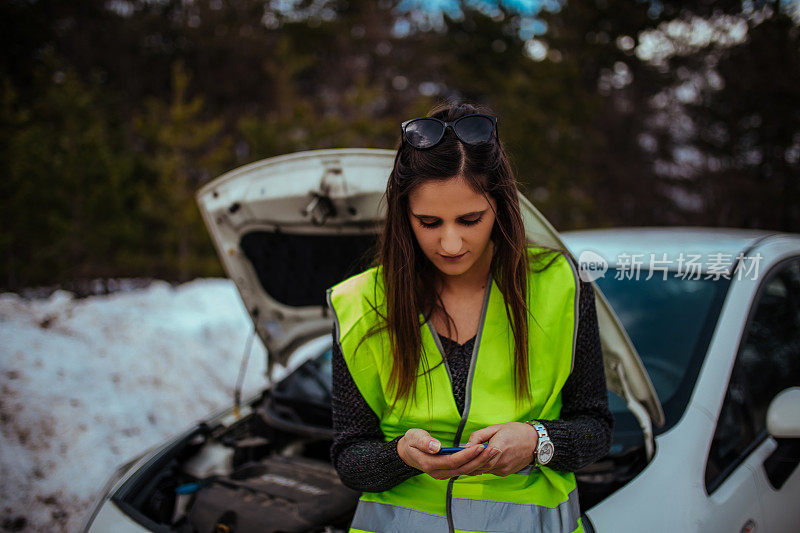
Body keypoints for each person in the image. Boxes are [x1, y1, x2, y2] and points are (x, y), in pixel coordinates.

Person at [326, 102, 612, 533]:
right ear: (404, 216)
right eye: (428, 222)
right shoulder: (362, 303)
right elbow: (349, 457)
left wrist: (539, 442)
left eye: (470, 219)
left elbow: (596, 425)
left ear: (500, 206)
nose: (451, 242)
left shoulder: (561, 287)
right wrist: (401, 456)